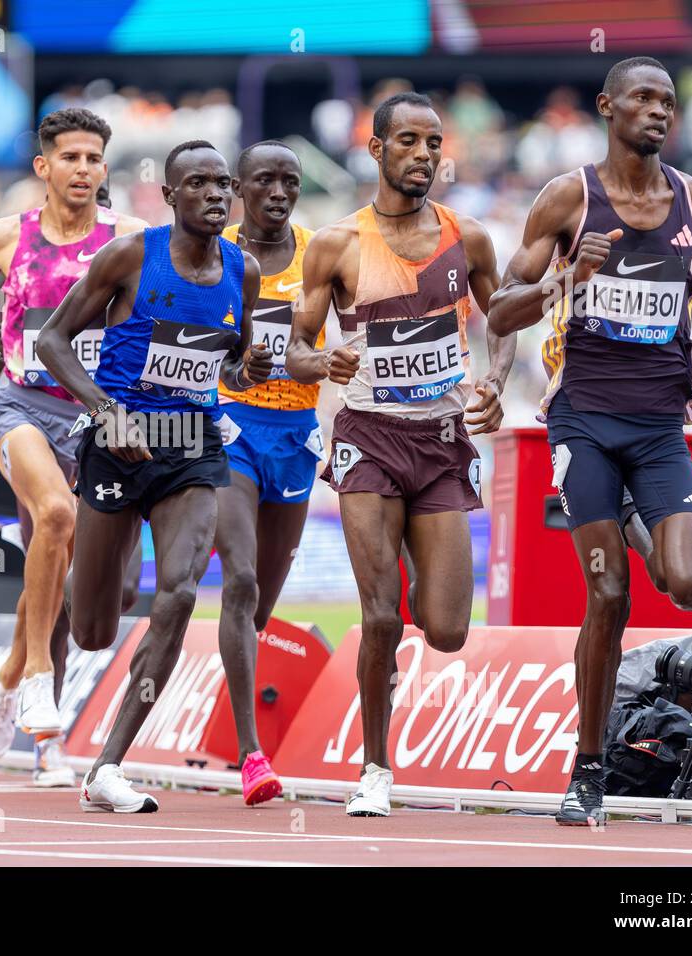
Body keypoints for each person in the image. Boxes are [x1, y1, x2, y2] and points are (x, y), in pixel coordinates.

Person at [488, 57, 692, 825]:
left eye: (669, 101)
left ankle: (635, 517)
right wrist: (561, 281)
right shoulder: (568, 197)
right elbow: (501, 310)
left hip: (661, 426)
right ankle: (589, 770)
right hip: (585, 423)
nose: (659, 112)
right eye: (643, 98)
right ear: (608, 107)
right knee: (608, 595)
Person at [286, 93, 514, 818]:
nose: (424, 153)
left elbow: (502, 317)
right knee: (381, 612)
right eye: (408, 140)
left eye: (434, 141)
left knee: (444, 629)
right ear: (377, 149)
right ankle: (375, 768)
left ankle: (408, 581)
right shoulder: (336, 244)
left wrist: (496, 381)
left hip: (443, 441)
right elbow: (294, 348)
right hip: (368, 440)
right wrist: (325, 365)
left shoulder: (468, 237)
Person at [37, 139, 270, 812]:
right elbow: (53, 339)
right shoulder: (131, 255)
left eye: (223, 184)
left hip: (190, 446)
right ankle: (42, 644)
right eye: (196, 185)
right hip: (117, 444)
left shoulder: (241, 269)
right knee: (94, 627)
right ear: (169, 197)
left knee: (178, 592)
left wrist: (241, 371)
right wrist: (108, 412)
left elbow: (230, 359)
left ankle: (107, 766)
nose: (214, 195)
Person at [0, 108, 146, 767]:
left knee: (61, 567)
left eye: (95, 159)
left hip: (97, 420)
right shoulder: (5, 237)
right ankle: (38, 680)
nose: (84, 169)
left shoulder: (131, 239)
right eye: (71, 158)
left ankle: (6, 678)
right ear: (44, 167)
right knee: (56, 516)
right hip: (21, 407)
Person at [210, 140, 319, 805]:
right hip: (230, 429)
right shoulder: (214, 250)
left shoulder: (321, 252)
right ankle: (255, 755)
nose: (278, 193)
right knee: (241, 578)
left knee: (262, 604)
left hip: (298, 435)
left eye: (290, 182)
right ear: (238, 187)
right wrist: (232, 367)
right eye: (265, 181)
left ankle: (231, 723)